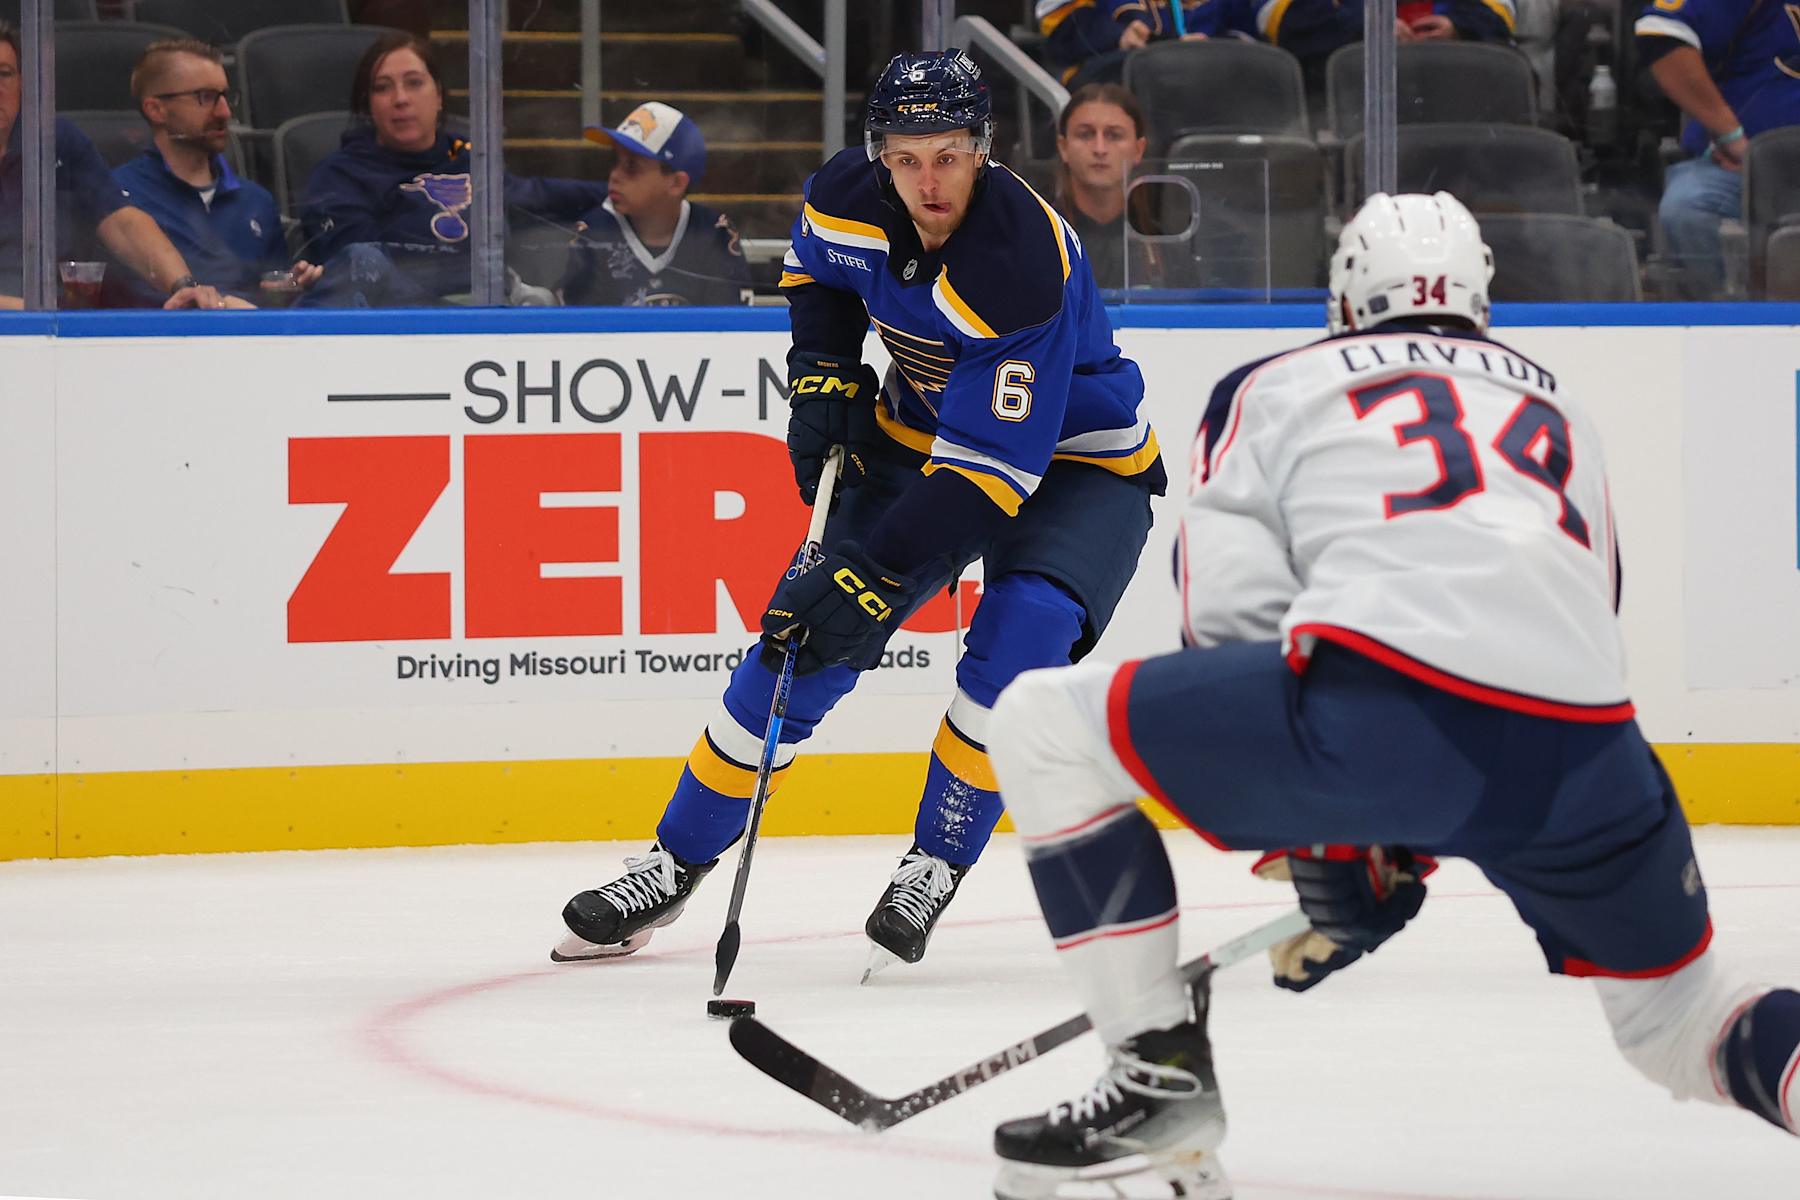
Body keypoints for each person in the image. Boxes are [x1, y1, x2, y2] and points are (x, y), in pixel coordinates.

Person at [982, 192, 1800, 1199]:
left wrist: (1331, 840)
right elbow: (1590, 603)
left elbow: (1235, 617)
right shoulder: (1556, 400)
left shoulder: (1277, 382)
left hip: (1382, 714)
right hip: (1590, 753)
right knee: (1682, 1023)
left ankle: (1156, 1078)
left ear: (1343, 299)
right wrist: (1394, 832)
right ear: (1481, 296)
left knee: (1040, 727)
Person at [555, 49, 1166, 978]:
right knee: (796, 649)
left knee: (1022, 636)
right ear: (879, 152)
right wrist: (824, 370)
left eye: (950, 155)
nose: (928, 179)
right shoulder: (847, 192)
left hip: (1079, 464)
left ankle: (933, 862)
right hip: (920, 441)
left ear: (984, 150)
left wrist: (873, 579)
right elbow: (816, 274)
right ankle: (672, 862)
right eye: (908, 155)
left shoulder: (1019, 260)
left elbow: (991, 478)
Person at [298, 31, 608, 307]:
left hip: (486, 318)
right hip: (400, 326)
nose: (401, 99)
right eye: (383, 88)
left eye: (414, 83)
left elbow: (542, 194)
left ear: (439, 96)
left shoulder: (472, 163)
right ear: (368, 105)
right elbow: (363, 273)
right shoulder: (340, 178)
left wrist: (623, 194)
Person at [0, 19, 228, 310]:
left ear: (23, 83)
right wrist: (27, 312)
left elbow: (121, 221)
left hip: (58, 332)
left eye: (4, 74)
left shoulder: (53, 140)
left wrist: (183, 285)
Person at [112, 39, 321, 308]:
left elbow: (267, 305)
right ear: (156, 109)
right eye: (206, 97)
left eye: (225, 97)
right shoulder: (120, 199)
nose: (225, 112)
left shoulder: (256, 201)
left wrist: (288, 288)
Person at [1637, 0, 1800, 299]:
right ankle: (1724, 322)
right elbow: (1663, 34)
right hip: (1744, 170)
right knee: (1688, 207)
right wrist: (1731, 136)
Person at [557, 101, 751, 307]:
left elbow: (730, 328)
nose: (614, 175)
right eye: (614, 161)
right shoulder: (593, 233)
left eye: (631, 166)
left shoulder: (715, 235)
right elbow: (583, 330)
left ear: (676, 183)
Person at [1255, 0, 1518, 98]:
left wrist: (1457, 25)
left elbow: (1499, 13)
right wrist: (1366, 24)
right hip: (1349, 95)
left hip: (1448, 91)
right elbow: (1281, 19)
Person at [1051, 83, 1165, 290]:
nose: (1100, 149)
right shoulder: (1037, 235)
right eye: (1085, 135)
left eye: (1114, 135)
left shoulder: (1164, 242)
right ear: (1063, 147)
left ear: (1138, 149)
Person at [1036, 1, 1255, 87]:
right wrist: (1117, 36)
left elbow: (1248, 30)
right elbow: (1061, 23)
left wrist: (1216, 49)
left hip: (1211, 81)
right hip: (1114, 78)